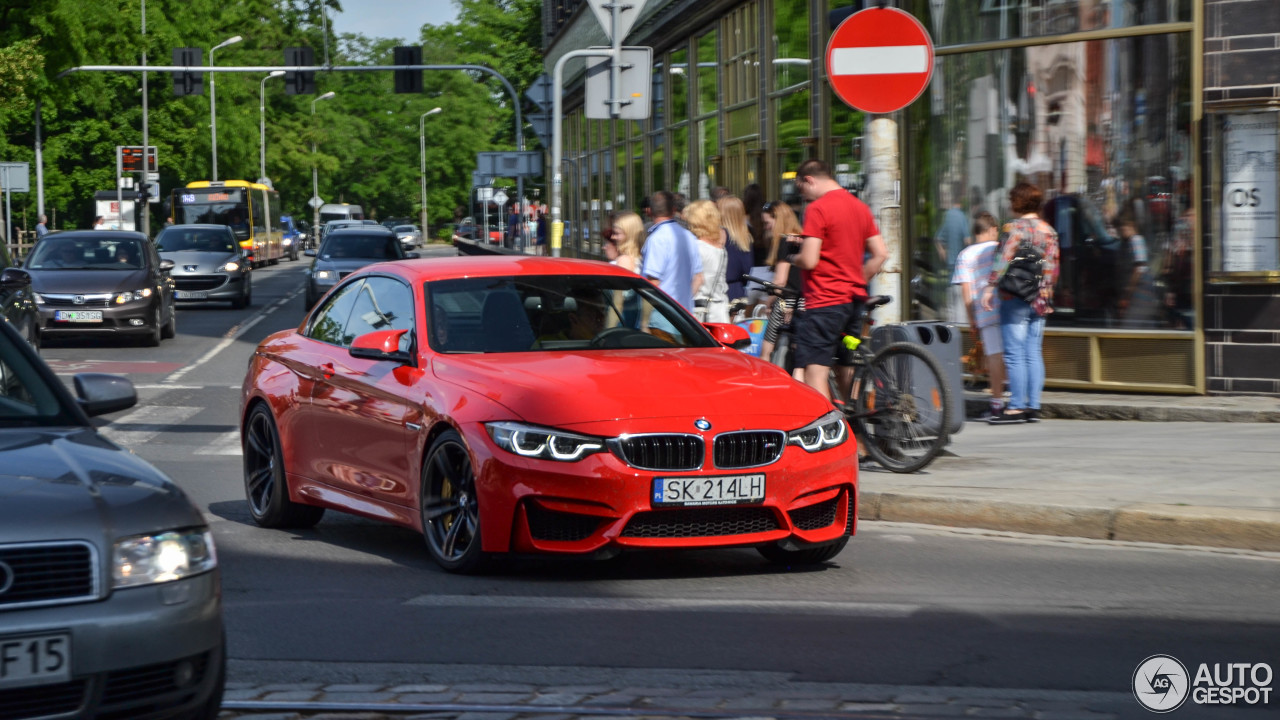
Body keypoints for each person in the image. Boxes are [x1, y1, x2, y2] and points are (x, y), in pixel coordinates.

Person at [788, 159, 888, 401]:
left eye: (801, 190)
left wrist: (793, 257)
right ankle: (857, 425)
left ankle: (837, 433)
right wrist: (858, 280)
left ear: (809, 180)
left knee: (815, 373)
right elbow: (881, 254)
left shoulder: (817, 209)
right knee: (846, 364)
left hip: (825, 304)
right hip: (854, 304)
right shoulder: (859, 207)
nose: (803, 197)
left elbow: (810, 260)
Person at [981, 182, 1060, 424]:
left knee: (1014, 354)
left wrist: (990, 287)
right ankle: (1033, 406)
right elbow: (1054, 267)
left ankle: (1016, 407)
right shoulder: (1050, 231)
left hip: (1014, 297)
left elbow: (1002, 260)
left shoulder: (1013, 229)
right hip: (1040, 298)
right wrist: (1046, 292)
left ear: (1017, 202)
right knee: (1033, 352)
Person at [952, 212, 1005, 418]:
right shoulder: (998, 249)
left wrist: (971, 318)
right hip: (1007, 307)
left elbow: (966, 291)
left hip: (985, 310)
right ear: (992, 229)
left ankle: (997, 402)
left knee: (993, 354)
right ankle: (1018, 400)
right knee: (1011, 354)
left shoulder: (965, 255)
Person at [759, 201, 805, 369]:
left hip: (785, 301)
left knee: (767, 350)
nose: (765, 227)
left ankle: (764, 383)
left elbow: (780, 281)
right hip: (802, 303)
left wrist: (768, 302)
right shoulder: (802, 240)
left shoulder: (785, 242)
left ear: (778, 221)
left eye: (767, 223)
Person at [641, 190, 703, 313]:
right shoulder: (689, 236)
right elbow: (699, 277)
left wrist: (645, 319)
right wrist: (682, 303)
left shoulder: (656, 239)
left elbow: (653, 282)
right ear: (674, 210)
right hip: (684, 314)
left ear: (650, 211)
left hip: (662, 315)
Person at [684, 200, 730, 323]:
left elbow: (697, 280)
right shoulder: (721, 249)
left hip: (699, 310)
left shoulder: (696, 247)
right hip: (720, 309)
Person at [715, 195, 755, 306]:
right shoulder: (746, 238)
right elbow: (748, 269)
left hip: (721, 291)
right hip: (739, 291)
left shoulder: (719, 236)